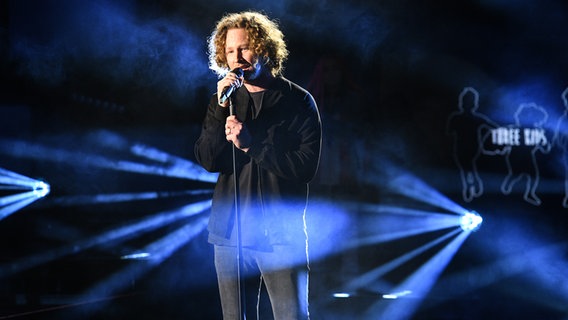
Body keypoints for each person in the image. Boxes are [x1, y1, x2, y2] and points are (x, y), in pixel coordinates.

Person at [194, 11, 322, 320]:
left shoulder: (298, 100)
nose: (237, 58)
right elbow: (208, 160)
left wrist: (252, 145)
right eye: (229, 51)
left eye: (244, 48)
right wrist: (221, 107)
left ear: (264, 48)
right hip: (230, 233)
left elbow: (306, 168)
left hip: (279, 233)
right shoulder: (222, 101)